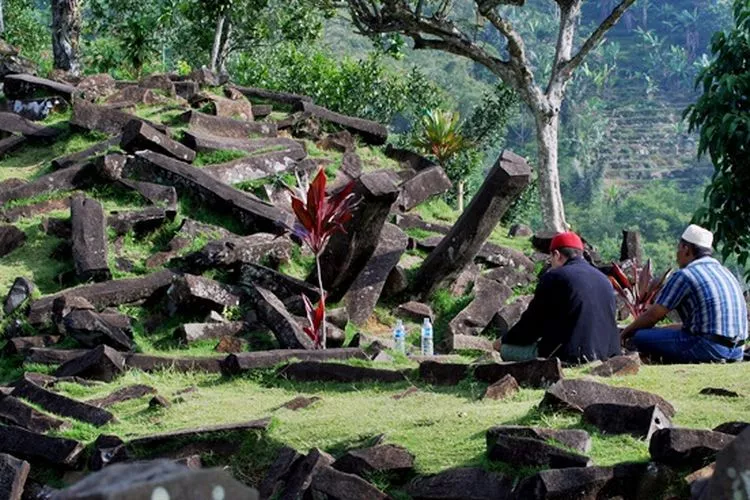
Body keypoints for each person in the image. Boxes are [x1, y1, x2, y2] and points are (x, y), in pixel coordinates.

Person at [621, 224, 747, 363]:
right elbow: (704, 325)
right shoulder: (725, 272)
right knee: (658, 333)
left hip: (707, 347)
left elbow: (653, 316)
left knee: (638, 337)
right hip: (736, 351)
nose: (677, 254)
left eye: (678, 248)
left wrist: (625, 332)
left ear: (686, 249)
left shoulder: (686, 275)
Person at [499, 231, 621, 364]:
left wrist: (504, 340)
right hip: (606, 354)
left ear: (556, 255)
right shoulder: (604, 279)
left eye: (550, 258)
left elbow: (532, 324)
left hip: (568, 356)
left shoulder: (555, 276)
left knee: (505, 349)